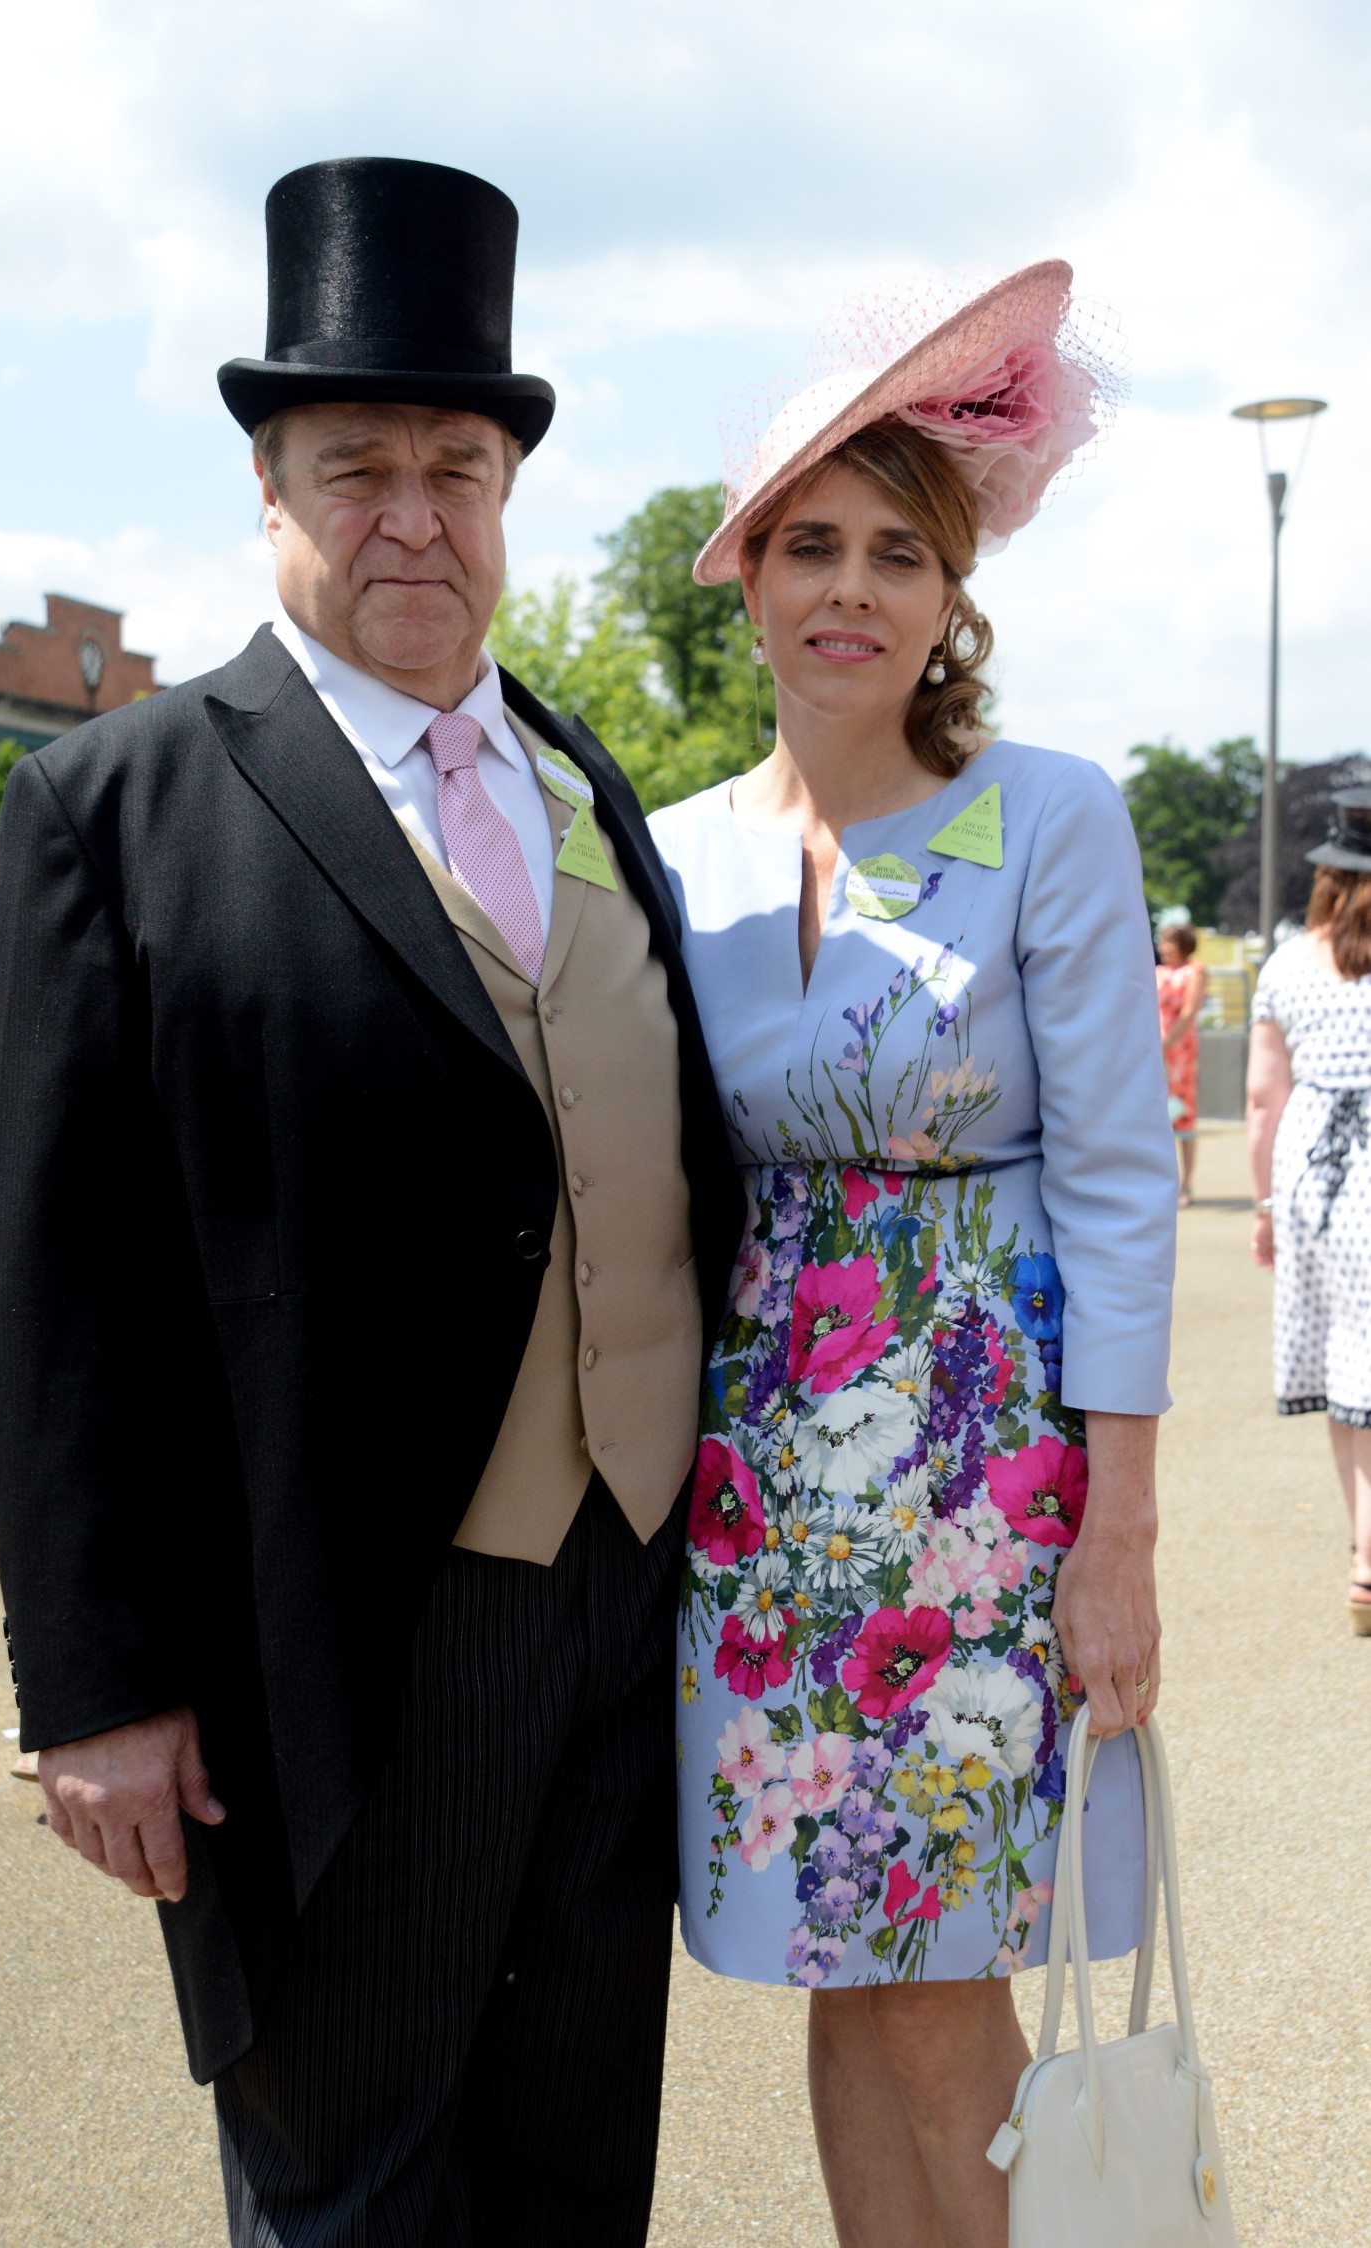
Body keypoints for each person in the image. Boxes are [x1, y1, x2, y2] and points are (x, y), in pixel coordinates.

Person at [0, 157, 742, 2247]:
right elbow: (60, 1294)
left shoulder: (587, 780)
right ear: (270, 490)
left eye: (458, 464)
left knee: (579, 2157)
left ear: (509, 491)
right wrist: (93, 1686)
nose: (415, 512)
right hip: (338, 1626)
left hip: (621, 1590)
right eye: (358, 468)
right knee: (358, 2176)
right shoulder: (114, 805)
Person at [648, 263, 1177, 2248]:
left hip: (980, 1482)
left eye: (897, 549)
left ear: (954, 591)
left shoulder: (1049, 818)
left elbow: (1125, 1181)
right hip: (760, 1494)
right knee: (830, 1956)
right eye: (810, 544)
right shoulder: (677, 845)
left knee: (947, 1970)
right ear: (756, 576)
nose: (849, 588)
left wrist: (1113, 1544)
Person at [1247, 787, 1371, 1637]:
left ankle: (1366, 1558)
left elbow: (1263, 1100)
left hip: (1317, 1183)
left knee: (1346, 1358)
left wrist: (1263, 1206)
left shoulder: (1288, 964)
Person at [1156, 917, 1209, 1204]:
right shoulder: (1156, 972)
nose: (1164, 947)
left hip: (1180, 1052)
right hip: (1154, 1052)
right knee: (1157, 1116)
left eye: (1169, 942)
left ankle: (1186, 1184)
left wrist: (1168, 1042)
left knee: (1183, 1116)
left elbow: (1189, 1011)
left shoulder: (1195, 972)